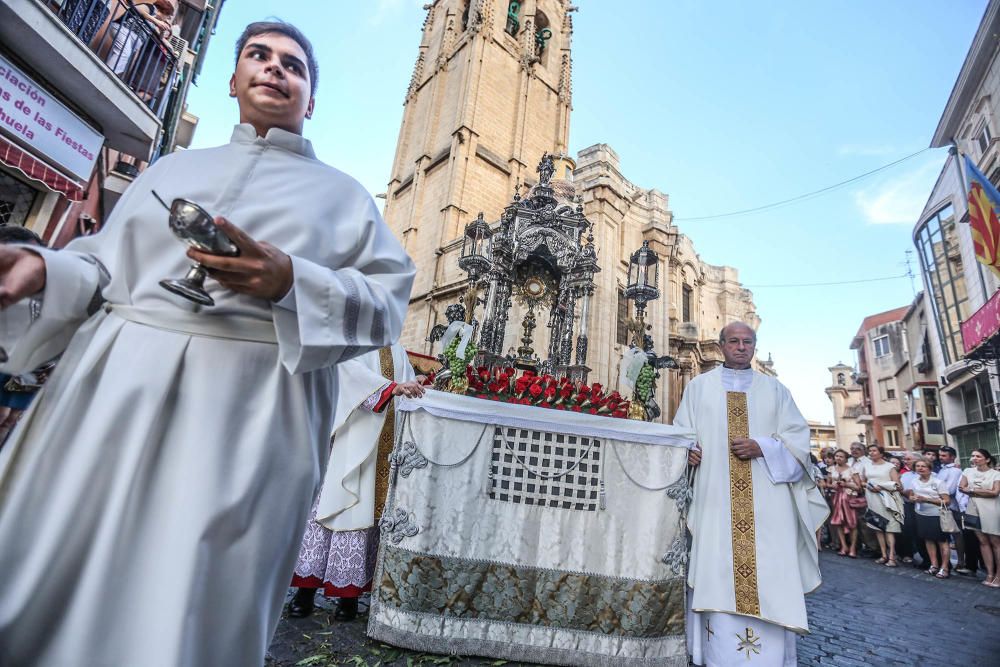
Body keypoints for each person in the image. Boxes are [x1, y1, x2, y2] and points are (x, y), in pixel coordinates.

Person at [0, 21, 415, 667]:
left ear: (311, 99)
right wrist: (47, 269)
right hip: (115, 386)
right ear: (232, 79)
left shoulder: (346, 198)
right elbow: (106, 266)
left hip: (248, 412)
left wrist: (290, 281)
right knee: (64, 558)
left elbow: (387, 303)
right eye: (258, 55)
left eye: (293, 65)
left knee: (190, 591)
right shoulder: (173, 167)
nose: (275, 69)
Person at [680, 322, 828, 667]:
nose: (741, 347)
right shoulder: (699, 388)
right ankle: (719, 656)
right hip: (716, 502)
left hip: (768, 507)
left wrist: (763, 446)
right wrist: (688, 451)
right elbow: (682, 433)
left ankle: (771, 658)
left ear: (755, 346)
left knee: (769, 576)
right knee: (718, 573)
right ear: (722, 346)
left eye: (748, 342)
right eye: (734, 341)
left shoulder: (776, 390)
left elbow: (799, 445)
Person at [288, 343, 424, 620]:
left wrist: (414, 383)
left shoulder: (396, 348)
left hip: (385, 446)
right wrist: (391, 389)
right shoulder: (355, 339)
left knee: (367, 517)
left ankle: (348, 598)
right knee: (334, 508)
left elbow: (405, 378)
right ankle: (306, 592)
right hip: (352, 440)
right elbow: (346, 373)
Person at [853, 444, 904, 567]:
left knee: (890, 528)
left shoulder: (890, 466)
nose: (871, 453)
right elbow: (862, 482)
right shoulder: (867, 466)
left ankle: (892, 556)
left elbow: (898, 485)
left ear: (881, 453)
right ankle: (883, 555)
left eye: (874, 450)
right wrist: (869, 486)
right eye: (869, 451)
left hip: (887, 499)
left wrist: (881, 486)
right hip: (872, 498)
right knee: (877, 527)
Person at [960, 449, 1000, 588]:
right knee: (982, 542)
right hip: (973, 508)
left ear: (987, 459)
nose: (975, 458)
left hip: (991, 510)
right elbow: (961, 487)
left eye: (978, 456)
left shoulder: (995, 474)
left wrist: (972, 490)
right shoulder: (967, 471)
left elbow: (995, 492)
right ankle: (989, 574)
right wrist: (984, 492)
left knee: (995, 542)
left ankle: (998, 576)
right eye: (973, 456)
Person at [907, 459, 952, 578]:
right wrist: (912, 498)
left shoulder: (938, 482)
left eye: (923, 466)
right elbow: (911, 495)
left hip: (937, 515)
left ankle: (945, 567)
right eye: (918, 466)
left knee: (942, 541)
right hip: (921, 513)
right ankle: (934, 565)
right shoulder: (914, 480)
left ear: (930, 468)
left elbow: (947, 501)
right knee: (928, 539)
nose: (920, 468)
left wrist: (927, 499)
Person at [938, 446, 975, 575]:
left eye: (944, 455)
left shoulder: (955, 471)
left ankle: (960, 562)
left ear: (952, 457)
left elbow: (950, 489)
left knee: (957, 534)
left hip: (952, 507)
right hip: (941, 505)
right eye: (940, 455)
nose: (940, 457)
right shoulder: (941, 469)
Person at [899, 450, 932, 568]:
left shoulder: (930, 475)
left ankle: (933, 560)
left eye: (908, 459)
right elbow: (901, 489)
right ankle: (924, 558)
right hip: (908, 506)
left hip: (926, 506)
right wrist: (904, 492)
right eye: (904, 459)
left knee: (925, 534)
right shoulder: (905, 475)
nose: (905, 461)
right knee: (911, 532)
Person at [828, 449, 860, 557]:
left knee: (852, 523)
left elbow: (858, 487)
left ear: (846, 458)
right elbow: (828, 484)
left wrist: (846, 485)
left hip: (849, 497)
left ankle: (852, 547)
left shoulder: (852, 470)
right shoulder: (831, 469)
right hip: (836, 497)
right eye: (836, 456)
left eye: (841, 456)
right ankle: (843, 545)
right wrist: (833, 485)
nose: (838, 458)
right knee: (838, 522)